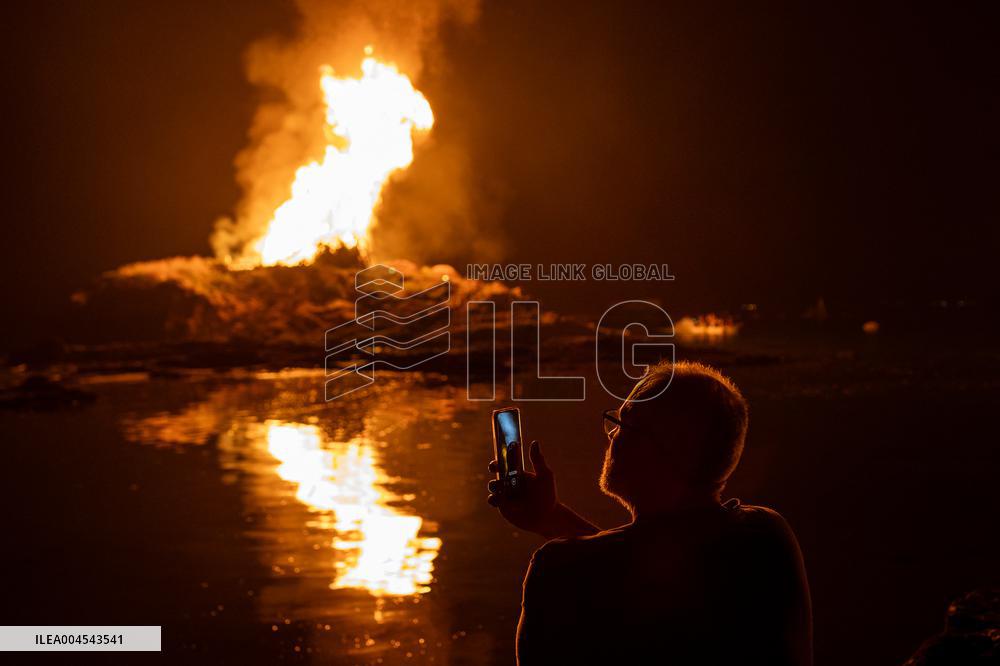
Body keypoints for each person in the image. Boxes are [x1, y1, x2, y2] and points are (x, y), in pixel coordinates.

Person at [487, 361, 813, 665]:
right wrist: (551, 517)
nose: (612, 434)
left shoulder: (557, 569)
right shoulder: (767, 535)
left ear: (661, 448)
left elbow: (606, 570)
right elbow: (633, 568)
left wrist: (553, 528)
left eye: (623, 423)